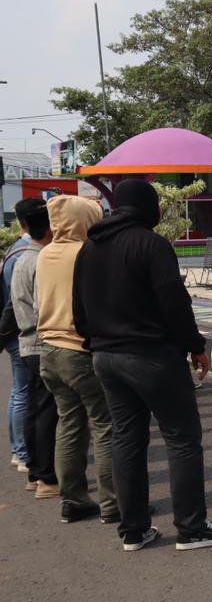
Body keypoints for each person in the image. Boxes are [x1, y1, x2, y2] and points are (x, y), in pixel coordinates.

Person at [73, 179, 212, 552]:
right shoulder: (152, 245)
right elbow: (173, 304)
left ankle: (134, 531)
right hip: (151, 356)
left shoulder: (89, 249)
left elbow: (78, 309)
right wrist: (195, 346)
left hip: (105, 358)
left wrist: (96, 344)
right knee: (181, 439)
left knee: (127, 439)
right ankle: (192, 529)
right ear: (148, 207)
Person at [36, 195, 117, 524]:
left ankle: (73, 500)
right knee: (105, 426)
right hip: (79, 349)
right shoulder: (87, 252)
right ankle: (114, 504)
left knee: (69, 425)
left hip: (49, 351)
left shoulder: (45, 254)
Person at [9, 200, 59, 499]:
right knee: (47, 413)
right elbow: (43, 307)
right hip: (41, 342)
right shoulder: (40, 260)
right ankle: (46, 477)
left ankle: (34, 473)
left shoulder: (18, 256)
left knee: (34, 408)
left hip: (26, 342)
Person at [4, 200, 36, 473]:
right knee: (24, 393)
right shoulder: (26, 253)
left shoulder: (12, 250)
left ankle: (19, 449)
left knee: (19, 391)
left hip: (12, 331)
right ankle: (22, 451)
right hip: (23, 331)